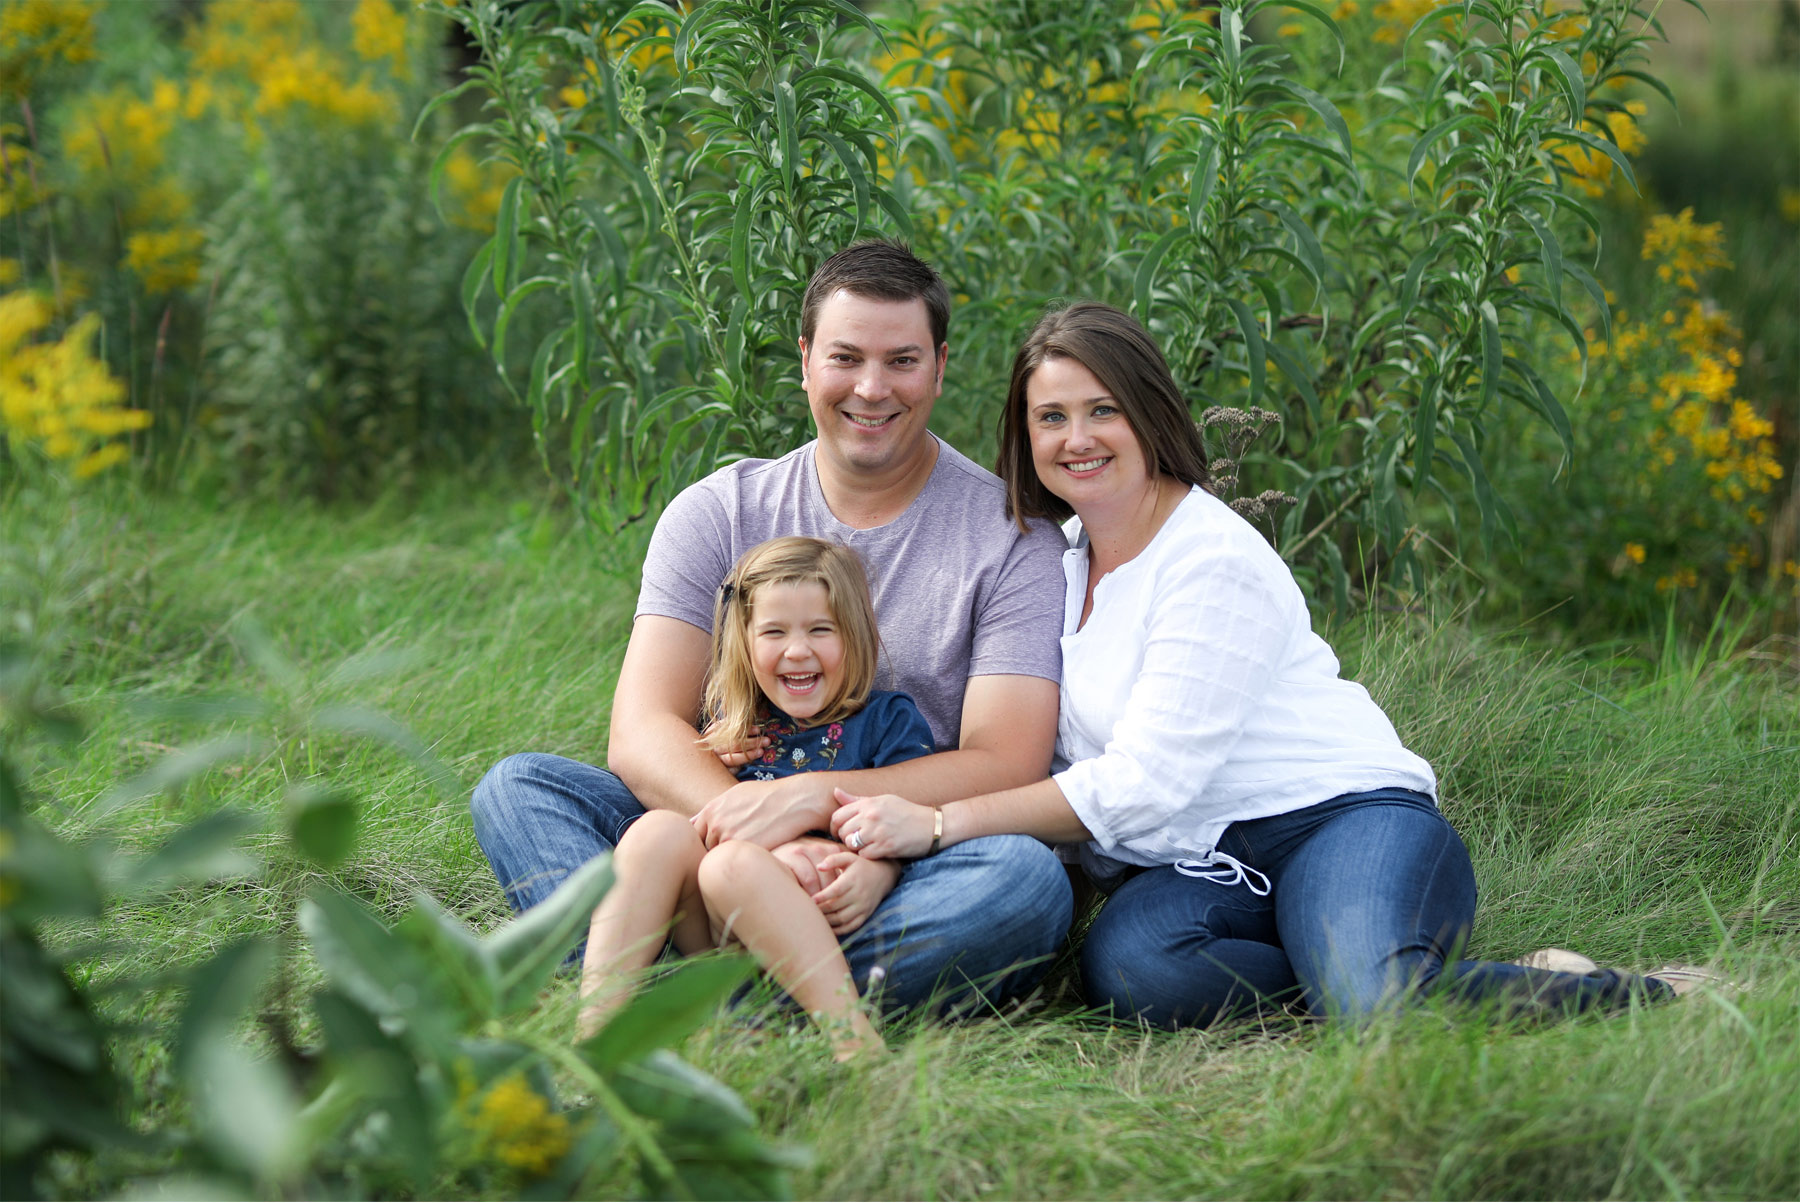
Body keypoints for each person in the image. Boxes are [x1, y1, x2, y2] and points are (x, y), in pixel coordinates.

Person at [830, 301, 1686, 1027]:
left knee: (1381, 1010)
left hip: (1340, 818)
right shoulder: (1059, 559)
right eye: (1051, 417)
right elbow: (1064, 759)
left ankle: (1606, 992)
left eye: (1102, 411)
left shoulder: (1211, 559)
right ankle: (1355, 962)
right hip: (1214, 856)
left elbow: (1144, 784)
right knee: (1133, 973)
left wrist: (940, 825)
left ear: (1149, 414)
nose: (1076, 438)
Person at [472, 241, 1073, 1015]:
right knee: (521, 788)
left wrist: (815, 805)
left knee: (1023, 879)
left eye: (901, 360)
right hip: (709, 842)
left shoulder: (1011, 539)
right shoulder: (718, 511)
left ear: (940, 366)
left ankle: (679, 999)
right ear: (805, 360)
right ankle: (779, 998)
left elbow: (1005, 760)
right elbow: (643, 729)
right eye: (846, 357)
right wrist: (760, 835)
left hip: (889, 865)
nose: (871, 387)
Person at [579, 537, 936, 1059]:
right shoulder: (737, 728)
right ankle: (596, 1040)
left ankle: (853, 1042)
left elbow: (911, 824)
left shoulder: (887, 722)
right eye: (773, 632)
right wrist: (709, 754)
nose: (797, 650)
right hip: (719, 934)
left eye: (820, 629)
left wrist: (881, 872)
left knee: (732, 866)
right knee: (653, 831)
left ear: (856, 637)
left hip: (822, 921)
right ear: (744, 644)